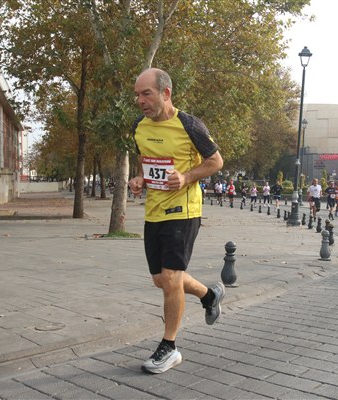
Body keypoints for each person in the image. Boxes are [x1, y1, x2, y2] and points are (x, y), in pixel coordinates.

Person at [128, 68, 225, 374]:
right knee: (161, 279)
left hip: (183, 211)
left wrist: (186, 177)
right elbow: (145, 159)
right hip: (154, 211)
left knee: (171, 278)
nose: (140, 100)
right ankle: (209, 295)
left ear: (165, 93)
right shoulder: (139, 126)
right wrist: (140, 179)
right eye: (137, 95)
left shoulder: (189, 125)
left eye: (146, 94)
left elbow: (215, 162)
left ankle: (169, 347)